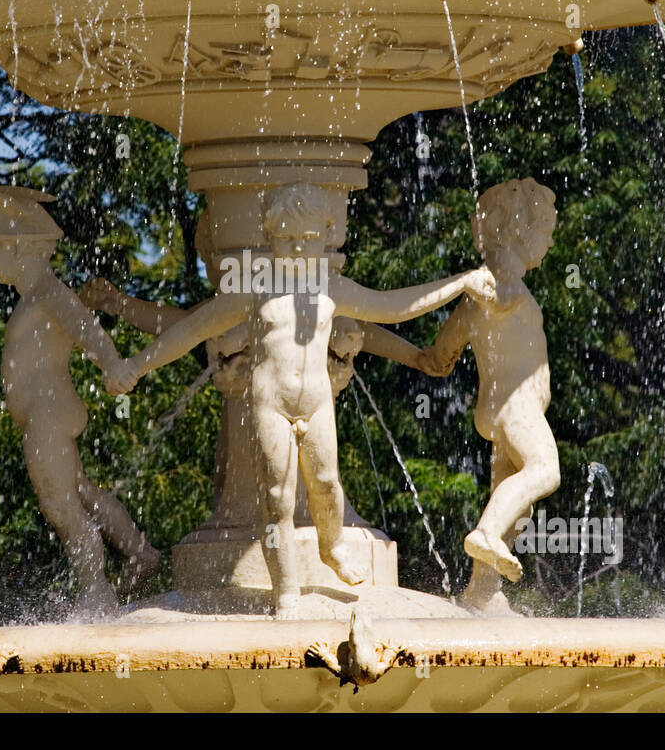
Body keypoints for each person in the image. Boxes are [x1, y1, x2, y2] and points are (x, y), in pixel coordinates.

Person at [106, 182, 496, 618]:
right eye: (286, 238)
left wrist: (462, 282)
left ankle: (332, 546)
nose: (296, 248)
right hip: (268, 404)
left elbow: (394, 306)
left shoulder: (332, 288)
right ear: (269, 237)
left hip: (316, 403)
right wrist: (135, 366)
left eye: (307, 240)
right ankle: (285, 590)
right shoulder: (254, 290)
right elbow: (190, 331)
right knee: (277, 498)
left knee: (327, 484)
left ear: (324, 239)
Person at [0, 186, 160, 615]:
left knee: (60, 506)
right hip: (47, 414)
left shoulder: (49, 294)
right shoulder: (37, 295)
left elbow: (86, 330)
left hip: (48, 417)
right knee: (79, 492)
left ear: (18, 249)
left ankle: (96, 591)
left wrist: (111, 363)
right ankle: (139, 552)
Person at [417, 178, 560, 616]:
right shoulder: (506, 285)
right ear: (520, 232)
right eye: (547, 231)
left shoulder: (478, 300)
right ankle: (486, 533)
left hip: (495, 407)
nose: (550, 240)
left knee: (515, 500)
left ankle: (482, 590)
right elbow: (500, 297)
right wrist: (492, 289)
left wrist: (433, 358)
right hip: (517, 405)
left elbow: (443, 350)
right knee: (544, 470)